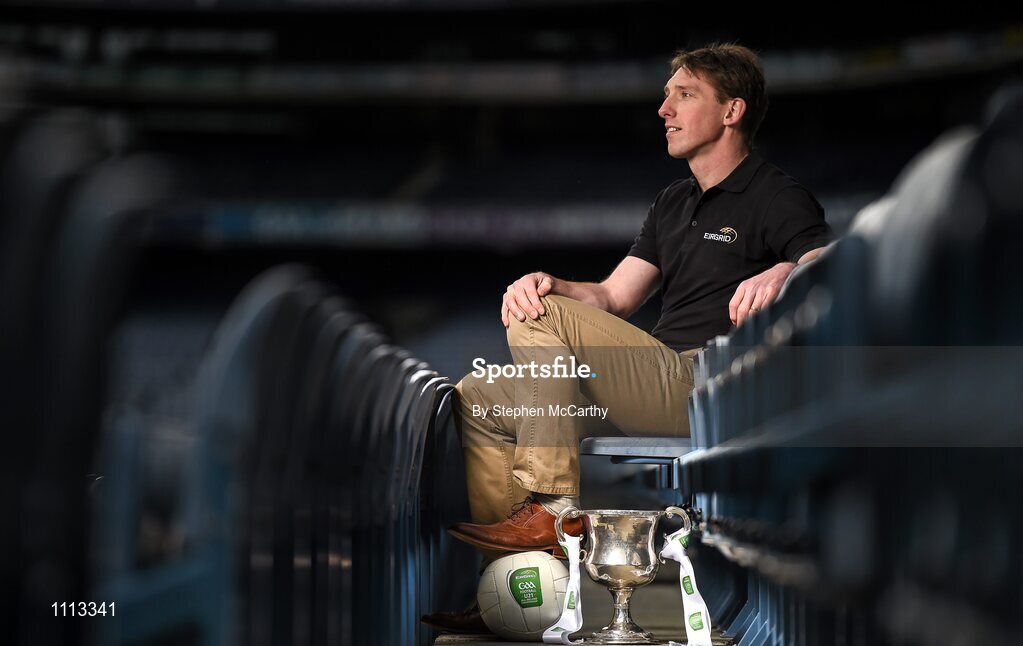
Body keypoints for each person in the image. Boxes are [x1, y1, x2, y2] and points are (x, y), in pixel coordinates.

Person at [422, 42, 832, 632]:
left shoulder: (773, 193)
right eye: (666, 95)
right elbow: (614, 297)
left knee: (543, 317)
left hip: (707, 384)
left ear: (732, 111)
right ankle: (516, 592)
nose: (664, 108)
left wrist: (787, 268)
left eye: (683, 95)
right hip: (653, 379)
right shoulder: (672, 203)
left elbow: (830, 258)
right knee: (477, 398)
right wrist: (552, 282)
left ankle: (554, 506)